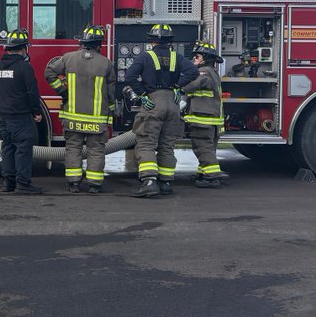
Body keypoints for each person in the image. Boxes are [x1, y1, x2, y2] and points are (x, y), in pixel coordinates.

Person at [122, 24, 198, 198]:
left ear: (152, 40)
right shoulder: (177, 57)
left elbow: (130, 77)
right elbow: (193, 71)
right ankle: (166, 183)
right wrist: (178, 87)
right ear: (170, 41)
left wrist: (141, 95)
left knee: (147, 143)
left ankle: (149, 182)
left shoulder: (145, 56)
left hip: (153, 101)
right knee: (167, 145)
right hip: (172, 103)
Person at [45, 25, 115, 193]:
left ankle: (73, 183)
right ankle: (94, 185)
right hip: (96, 121)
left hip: (73, 118)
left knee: (73, 149)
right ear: (99, 44)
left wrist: (62, 89)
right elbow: (111, 93)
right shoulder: (105, 63)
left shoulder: (68, 58)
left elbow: (49, 72)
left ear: (82, 42)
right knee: (96, 150)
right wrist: (111, 110)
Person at [0, 28, 44, 194]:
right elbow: (32, 92)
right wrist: (36, 112)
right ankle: (23, 184)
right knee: (23, 149)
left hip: (3, 115)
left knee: (8, 148)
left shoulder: (0, 65)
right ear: (23, 49)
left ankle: (8, 183)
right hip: (20, 116)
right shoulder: (24, 67)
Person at [183, 40, 229, 188]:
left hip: (203, 120)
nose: (193, 59)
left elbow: (189, 86)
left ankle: (211, 177)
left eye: (196, 56)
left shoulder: (203, 72)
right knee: (208, 148)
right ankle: (203, 173)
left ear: (205, 58)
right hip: (210, 120)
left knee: (202, 147)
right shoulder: (212, 72)